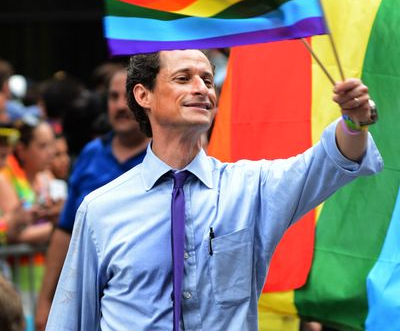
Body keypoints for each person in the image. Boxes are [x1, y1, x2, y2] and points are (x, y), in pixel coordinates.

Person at [46, 49, 383, 331]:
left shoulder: (251, 187)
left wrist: (354, 121)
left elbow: (329, 161)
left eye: (207, 80)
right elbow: (71, 319)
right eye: (183, 78)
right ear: (143, 94)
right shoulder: (101, 208)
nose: (202, 89)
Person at [35, 68, 150, 331]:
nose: (120, 106)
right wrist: (45, 301)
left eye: (126, 97)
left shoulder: (165, 158)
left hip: (142, 308)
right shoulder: (91, 153)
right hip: (85, 301)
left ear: (145, 99)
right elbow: (65, 231)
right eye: (112, 97)